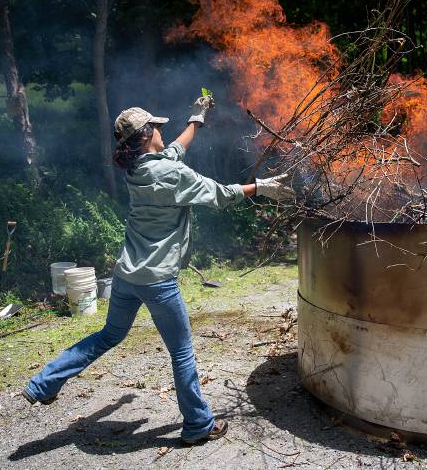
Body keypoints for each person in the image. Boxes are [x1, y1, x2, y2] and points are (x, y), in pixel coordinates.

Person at [22, 96, 295, 445]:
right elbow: (221, 194)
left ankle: (44, 383)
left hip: (126, 275)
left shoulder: (137, 167)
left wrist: (196, 119)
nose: (164, 131)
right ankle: (198, 424)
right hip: (157, 281)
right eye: (158, 126)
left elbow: (176, 151)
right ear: (147, 133)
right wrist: (263, 188)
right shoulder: (169, 173)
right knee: (181, 351)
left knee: (108, 335)